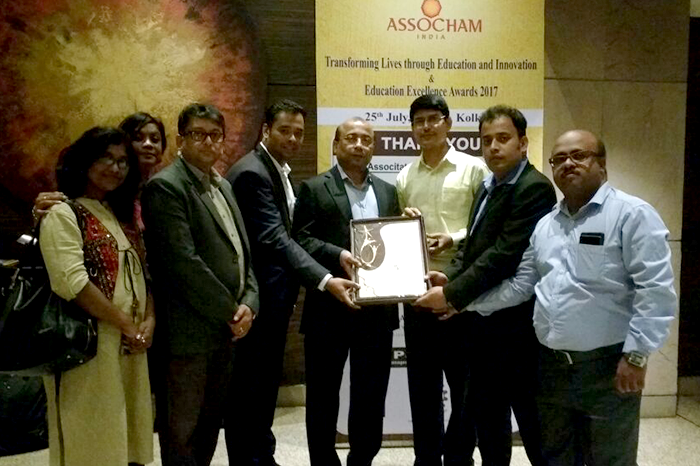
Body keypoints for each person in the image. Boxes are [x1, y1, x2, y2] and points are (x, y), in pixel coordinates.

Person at [466, 130, 677, 466]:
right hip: (550, 368)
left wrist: (636, 357)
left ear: (602, 164)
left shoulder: (632, 215)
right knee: (557, 458)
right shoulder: (545, 226)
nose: (568, 164)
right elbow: (522, 286)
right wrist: (461, 302)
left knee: (610, 460)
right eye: (559, 159)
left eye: (579, 155)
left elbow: (655, 292)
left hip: (607, 368)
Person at [415, 105, 556, 466]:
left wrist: (451, 295)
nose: (493, 147)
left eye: (503, 138)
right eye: (487, 140)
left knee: (534, 427)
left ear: (523, 143)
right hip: (482, 332)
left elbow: (503, 255)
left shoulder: (534, 188)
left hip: (517, 332)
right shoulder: (488, 185)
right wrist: (450, 277)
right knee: (490, 425)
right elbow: (473, 247)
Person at [225, 100, 358, 466]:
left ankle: (261, 455)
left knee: (263, 383)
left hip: (274, 299)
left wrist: (334, 256)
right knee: (251, 386)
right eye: (285, 130)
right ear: (266, 130)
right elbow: (275, 239)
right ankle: (250, 460)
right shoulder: (252, 173)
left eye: (299, 132)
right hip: (257, 300)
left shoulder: (274, 169)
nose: (294, 139)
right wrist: (325, 279)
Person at [142, 103, 259, 466]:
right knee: (182, 432)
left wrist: (251, 302)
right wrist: (231, 311)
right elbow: (183, 264)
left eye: (215, 135)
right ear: (181, 140)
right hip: (189, 334)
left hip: (225, 331)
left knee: (209, 427)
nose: (208, 142)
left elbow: (243, 254)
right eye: (198, 134)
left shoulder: (223, 185)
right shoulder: (166, 187)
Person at [39, 126, 154, 466]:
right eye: (105, 158)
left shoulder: (119, 214)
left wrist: (148, 321)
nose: (115, 168)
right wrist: (126, 324)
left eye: (122, 161)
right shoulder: (63, 213)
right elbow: (72, 283)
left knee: (125, 439)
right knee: (92, 438)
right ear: (84, 161)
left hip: (129, 345)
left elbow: (143, 274)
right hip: (87, 348)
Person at [292, 117, 400, 466]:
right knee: (323, 396)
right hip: (329, 307)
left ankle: (362, 459)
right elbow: (300, 239)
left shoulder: (388, 191)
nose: (358, 145)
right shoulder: (313, 188)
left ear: (374, 147)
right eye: (351, 138)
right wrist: (337, 254)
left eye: (366, 140)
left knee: (371, 394)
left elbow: (393, 245)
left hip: (377, 310)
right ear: (336, 145)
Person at [395, 95, 489, 466]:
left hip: (461, 292)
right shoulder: (405, 177)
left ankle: (459, 457)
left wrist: (454, 238)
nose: (426, 126)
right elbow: (398, 237)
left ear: (448, 123)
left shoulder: (474, 170)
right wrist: (405, 224)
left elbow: (485, 228)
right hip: (418, 294)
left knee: (466, 388)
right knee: (422, 386)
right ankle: (427, 458)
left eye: (434, 119)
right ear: (412, 129)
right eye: (419, 121)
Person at [32, 111, 167, 226]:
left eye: (155, 139)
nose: (148, 144)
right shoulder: (103, 188)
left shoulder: (163, 189)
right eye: (138, 138)